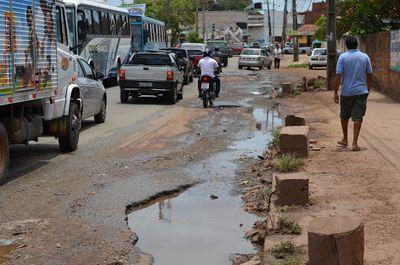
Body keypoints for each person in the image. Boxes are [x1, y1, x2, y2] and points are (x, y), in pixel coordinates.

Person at [334, 36, 373, 151]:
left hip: (346, 92)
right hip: (361, 92)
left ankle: (345, 139)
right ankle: (355, 144)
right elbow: (370, 75)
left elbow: (338, 76)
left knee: (344, 116)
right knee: (358, 117)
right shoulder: (365, 57)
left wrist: (335, 92)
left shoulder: (343, 57)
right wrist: (368, 88)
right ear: (357, 44)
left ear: (346, 45)